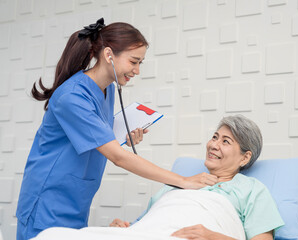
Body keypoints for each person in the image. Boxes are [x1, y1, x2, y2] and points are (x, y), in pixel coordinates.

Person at [16, 18, 218, 240]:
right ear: (109, 55)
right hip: (48, 198)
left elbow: (91, 133)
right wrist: (182, 180)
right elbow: (117, 158)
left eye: (140, 63)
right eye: (134, 61)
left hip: (76, 197)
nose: (137, 70)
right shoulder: (72, 96)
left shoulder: (107, 90)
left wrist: (122, 136)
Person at [110, 114, 284, 240]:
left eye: (225, 141)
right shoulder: (176, 184)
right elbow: (154, 222)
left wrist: (211, 236)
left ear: (245, 157)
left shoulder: (252, 189)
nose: (214, 145)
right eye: (214, 137)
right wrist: (125, 229)